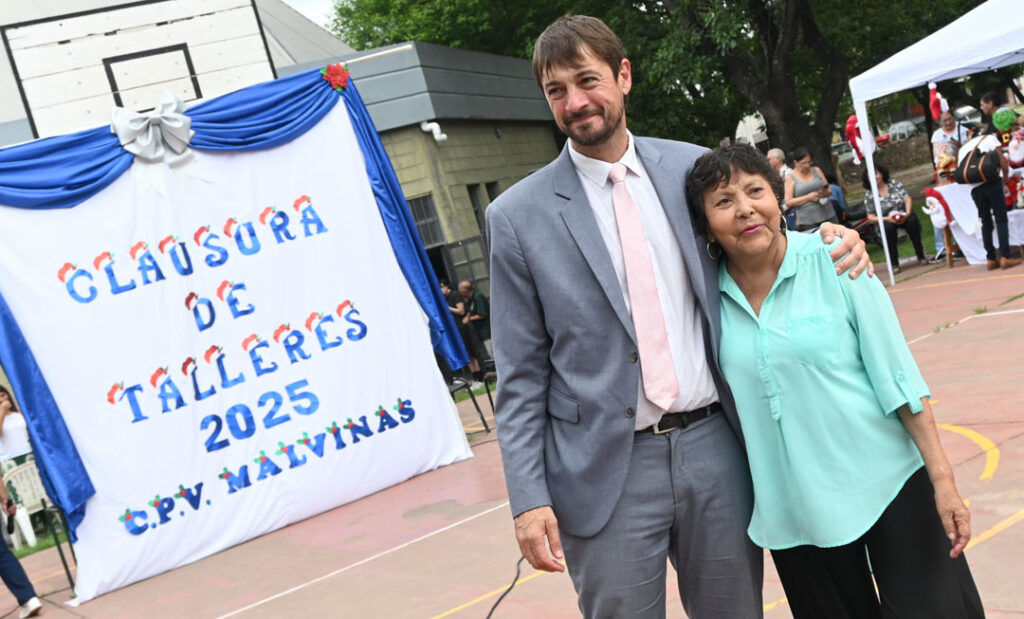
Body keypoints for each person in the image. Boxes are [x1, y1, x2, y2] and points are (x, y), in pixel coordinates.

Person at [486, 15, 870, 617]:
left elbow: (758, 241)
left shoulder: (690, 170)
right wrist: (528, 498)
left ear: (623, 75)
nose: (575, 102)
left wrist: (829, 241)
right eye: (556, 90)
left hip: (716, 447)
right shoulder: (515, 217)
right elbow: (519, 374)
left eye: (587, 80)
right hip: (604, 471)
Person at [686, 144, 984, 618]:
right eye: (723, 201)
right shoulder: (705, 303)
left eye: (755, 191)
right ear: (705, 226)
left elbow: (898, 378)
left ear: (777, 198)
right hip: (795, 511)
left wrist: (943, 481)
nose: (744, 209)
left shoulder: (837, 259)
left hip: (889, 485)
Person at [0, 387, 42, 619]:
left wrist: (5, 498)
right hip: (9, 465)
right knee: (1, 554)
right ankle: (28, 597)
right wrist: (4, 497)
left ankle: (28, 599)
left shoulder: (18, 415)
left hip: (27, 459)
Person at [958, 131, 1021, 270]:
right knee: (1001, 219)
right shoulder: (990, 139)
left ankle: (991, 259)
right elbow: (1002, 162)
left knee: (985, 222)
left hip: (975, 189)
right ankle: (1005, 256)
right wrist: (1005, 177)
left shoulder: (963, 149)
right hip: (992, 183)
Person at [862, 164, 929, 273]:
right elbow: (871, 217)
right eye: (870, 176)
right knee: (888, 229)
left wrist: (907, 212)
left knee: (912, 221)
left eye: (876, 174)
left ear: (882, 174)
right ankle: (894, 263)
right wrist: (887, 218)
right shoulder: (869, 195)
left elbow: (907, 198)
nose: (874, 177)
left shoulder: (894, 184)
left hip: (903, 214)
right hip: (886, 219)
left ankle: (921, 255)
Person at [439, 280, 486, 381]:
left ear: (447, 287)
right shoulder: (445, 298)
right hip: (457, 328)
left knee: (472, 352)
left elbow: (461, 311)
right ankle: (475, 377)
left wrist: (447, 308)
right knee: (466, 353)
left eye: (442, 287)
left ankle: (480, 376)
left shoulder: (455, 295)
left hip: (464, 327)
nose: (441, 290)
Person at [784, 147, 836, 231]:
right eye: (804, 163)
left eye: (809, 162)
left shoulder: (816, 170)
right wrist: (808, 197)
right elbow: (788, 202)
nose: (808, 165)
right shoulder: (790, 177)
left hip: (827, 213)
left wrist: (825, 192)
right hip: (808, 219)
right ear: (796, 163)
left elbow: (829, 191)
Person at [457, 281, 491, 358]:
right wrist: (468, 315)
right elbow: (471, 311)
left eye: (460, 291)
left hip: (487, 331)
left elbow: (482, 314)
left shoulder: (478, 296)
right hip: (479, 332)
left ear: (464, 291)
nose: (459, 294)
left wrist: (468, 319)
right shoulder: (470, 299)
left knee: (492, 353)